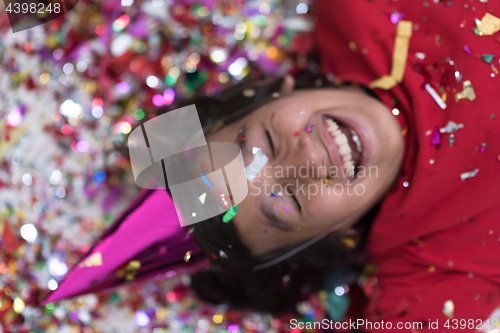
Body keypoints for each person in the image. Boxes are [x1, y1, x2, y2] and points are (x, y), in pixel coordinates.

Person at [46, 1, 500, 331]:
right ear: (334, 241)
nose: (305, 159)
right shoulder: (430, 267)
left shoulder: (359, 10)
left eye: (260, 143)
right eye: (290, 198)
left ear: (276, 90)